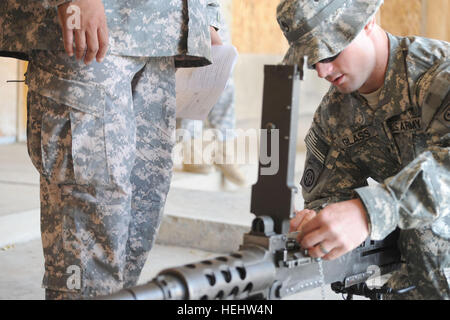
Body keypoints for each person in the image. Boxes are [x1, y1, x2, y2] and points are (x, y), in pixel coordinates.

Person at [0, 0, 221, 299]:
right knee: (88, 230)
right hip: (89, 33)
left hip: (162, 33)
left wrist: (203, 14)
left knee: (140, 217)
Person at [276, 0, 449, 299]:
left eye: (329, 52)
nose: (322, 71)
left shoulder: (438, 76)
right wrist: (316, 222)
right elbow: (327, 196)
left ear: (366, 21)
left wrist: (369, 211)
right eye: (311, 60)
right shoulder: (334, 115)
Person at [177, 12, 247, 187]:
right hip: (183, 9)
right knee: (192, 72)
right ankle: (191, 152)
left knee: (223, 71)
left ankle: (224, 150)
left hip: (211, 9)